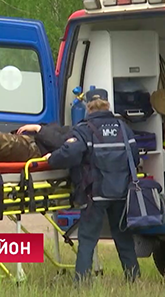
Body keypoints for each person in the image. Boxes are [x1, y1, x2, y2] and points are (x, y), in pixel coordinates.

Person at [43, 88, 142, 283]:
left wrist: (50, 158)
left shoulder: (84, 129)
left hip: (94, 194)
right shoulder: (123, 128)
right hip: (121, 193)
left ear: (88, 106)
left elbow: (69, 154)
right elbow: (135, 157)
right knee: (123, 238)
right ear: (108, 104)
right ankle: (134, 279)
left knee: (87, 240)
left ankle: (81, 283)